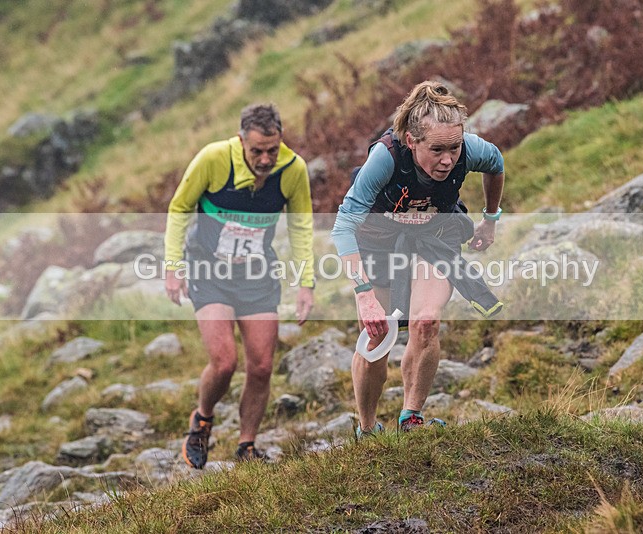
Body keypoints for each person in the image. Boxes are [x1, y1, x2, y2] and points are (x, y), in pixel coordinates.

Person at [331, 80, 505, 436]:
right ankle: (367, 429)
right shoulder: (386, 158)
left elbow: (496, 164)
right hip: (379, 243)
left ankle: (411, 419)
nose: (447, 160)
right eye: (437, 149)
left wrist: (490, 219)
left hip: (433, 239)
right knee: (377, 336)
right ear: (412, 141)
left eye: (454, 148)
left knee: (426, 322)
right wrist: (363, 296)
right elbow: (342, 226)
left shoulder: (471, 150)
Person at [164, 103, 315, 468]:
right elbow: (180, 207)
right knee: (225, 361)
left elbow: (301, 225)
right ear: (241, 141)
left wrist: (305, 283)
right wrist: (173, 266)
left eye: (272, 150)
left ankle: (246, 446)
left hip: (257, 276)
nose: (265, 159)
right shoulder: (213, 159)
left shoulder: (293, 170)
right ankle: (202, 420)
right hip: (208, 271)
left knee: (262, 366)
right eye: (257, 151)